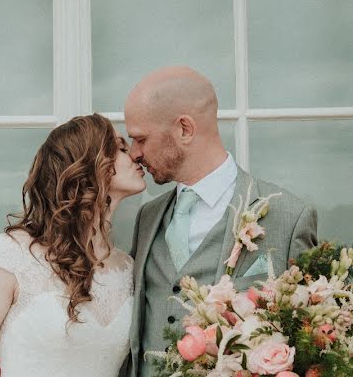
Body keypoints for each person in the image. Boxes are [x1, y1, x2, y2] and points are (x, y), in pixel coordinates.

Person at [122, 66, 318, 377]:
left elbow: (313, 341)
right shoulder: (148, 217)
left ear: (185, 129)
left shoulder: (289, 217)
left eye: (140, 139)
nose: (133, 154)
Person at [0, 113, 147, 377]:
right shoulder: (12, 255)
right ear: (87, 164)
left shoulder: (127, 267)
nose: (135, 156)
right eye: (119, 148)